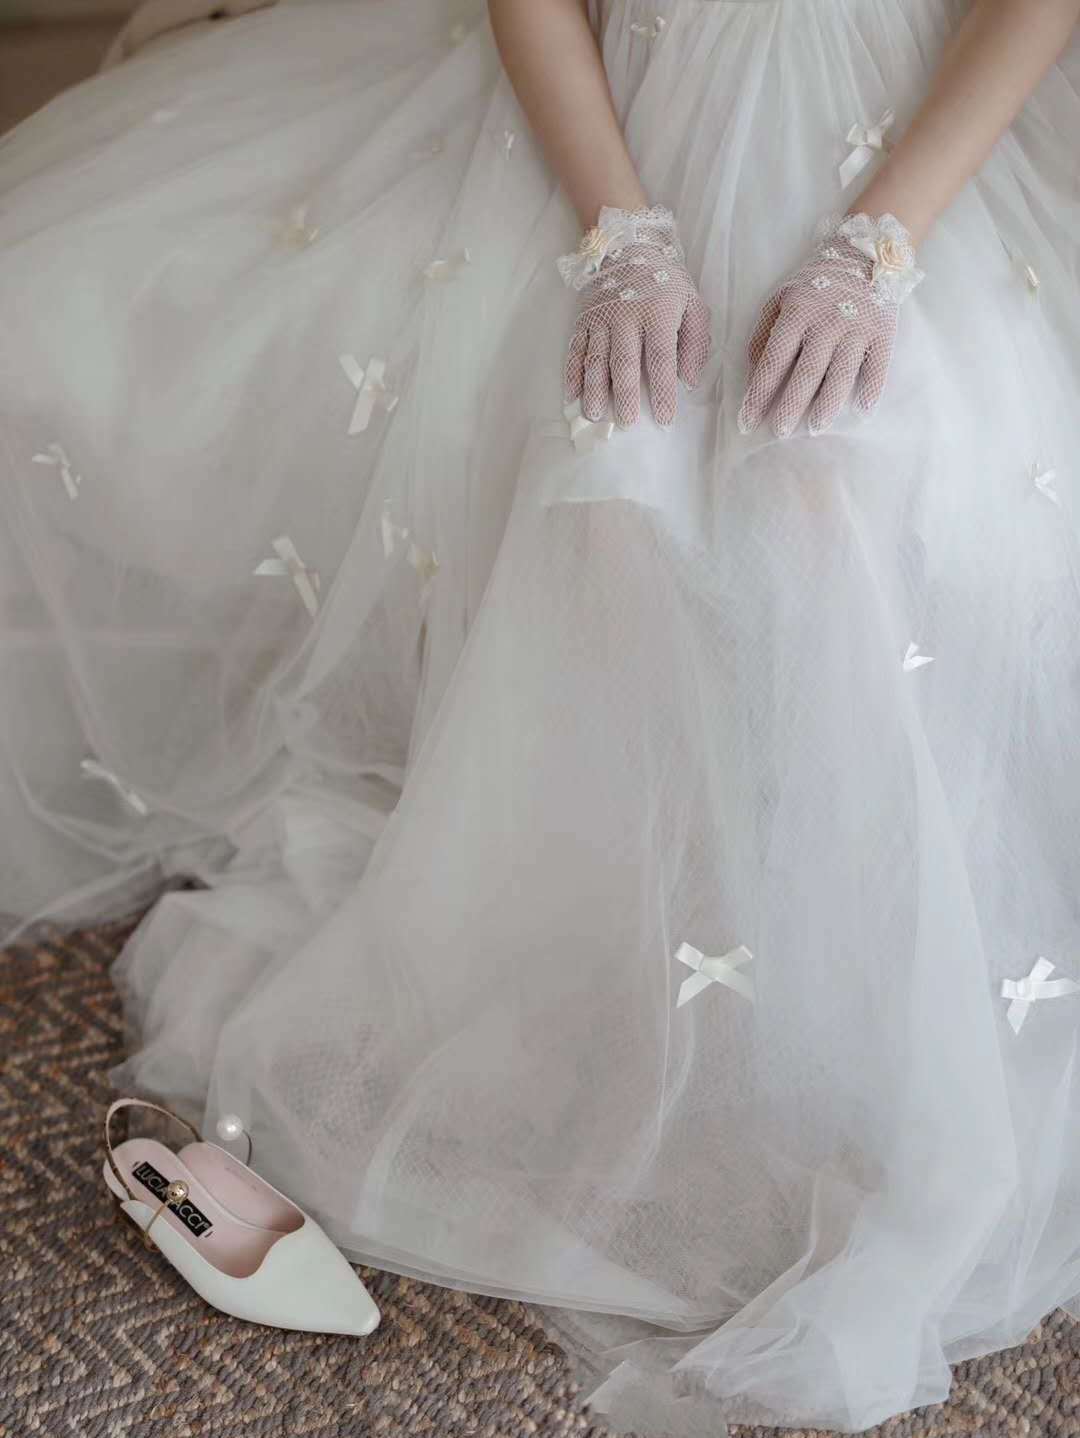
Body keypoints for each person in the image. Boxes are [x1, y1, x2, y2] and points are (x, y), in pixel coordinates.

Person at [2, 1, 1080, 1431]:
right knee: (616, 460)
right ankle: (632, 980)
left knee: (844, 467)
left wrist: (875, 248)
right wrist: (621, 236)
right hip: (616, 109)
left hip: (915, 123)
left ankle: (818, 1019)